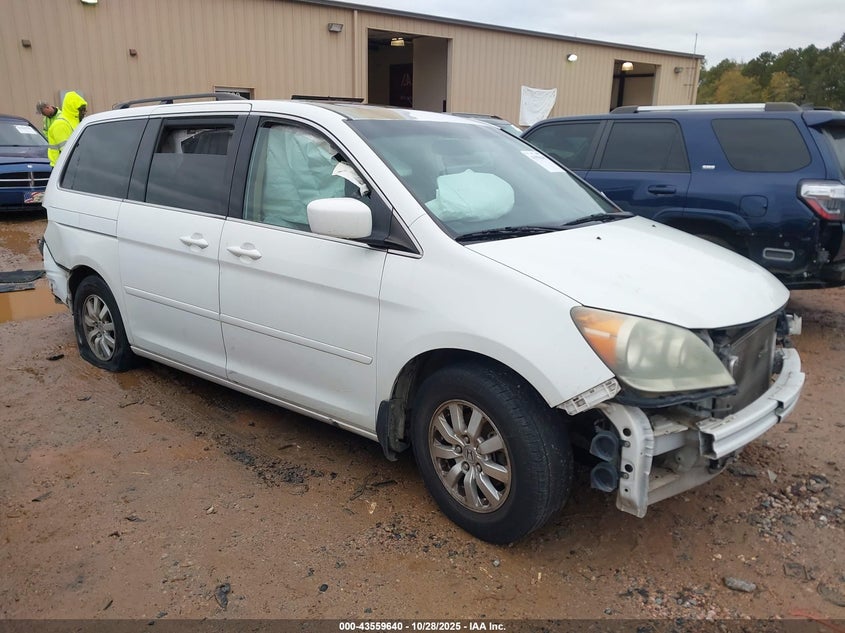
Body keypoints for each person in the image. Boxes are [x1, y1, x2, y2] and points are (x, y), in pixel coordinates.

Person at [47, 91, 87, 167]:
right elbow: (66, 151)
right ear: (73, 109)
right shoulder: (61, 124)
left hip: (71, 165)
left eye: (85, 109)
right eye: (82, 110)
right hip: (62, 168)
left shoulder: (74, 121)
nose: (84, 112)